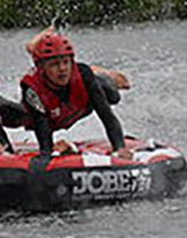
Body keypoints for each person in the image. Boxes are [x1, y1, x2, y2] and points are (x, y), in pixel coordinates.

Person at [21, 28, 134, 159]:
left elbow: (107, 116)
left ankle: (104, 74)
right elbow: (44, 140)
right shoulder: (32, 89)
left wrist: (119, 148)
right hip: (52, 116)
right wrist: (51, 152)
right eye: (55, 64)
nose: (62, 69)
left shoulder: (83, 75)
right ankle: (34, 47)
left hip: (81, 106)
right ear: (41, 68)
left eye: (66, 62)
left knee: (113, 96)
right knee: (17, 117)